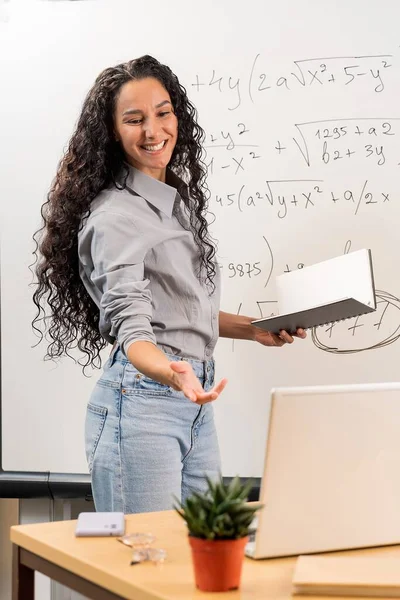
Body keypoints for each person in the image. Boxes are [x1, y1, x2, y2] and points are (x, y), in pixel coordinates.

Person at [32, 55, 306, 514]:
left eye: (163, 113)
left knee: (203, 559)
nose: (153, 130)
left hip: (191, 400)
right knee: (148, 571)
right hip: (143, 405)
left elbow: (177, 311)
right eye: (134, 119)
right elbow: (134, 329)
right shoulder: (116, 217)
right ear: (111, 132)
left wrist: (254, 329)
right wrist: (169, 371)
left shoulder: (171, 202)